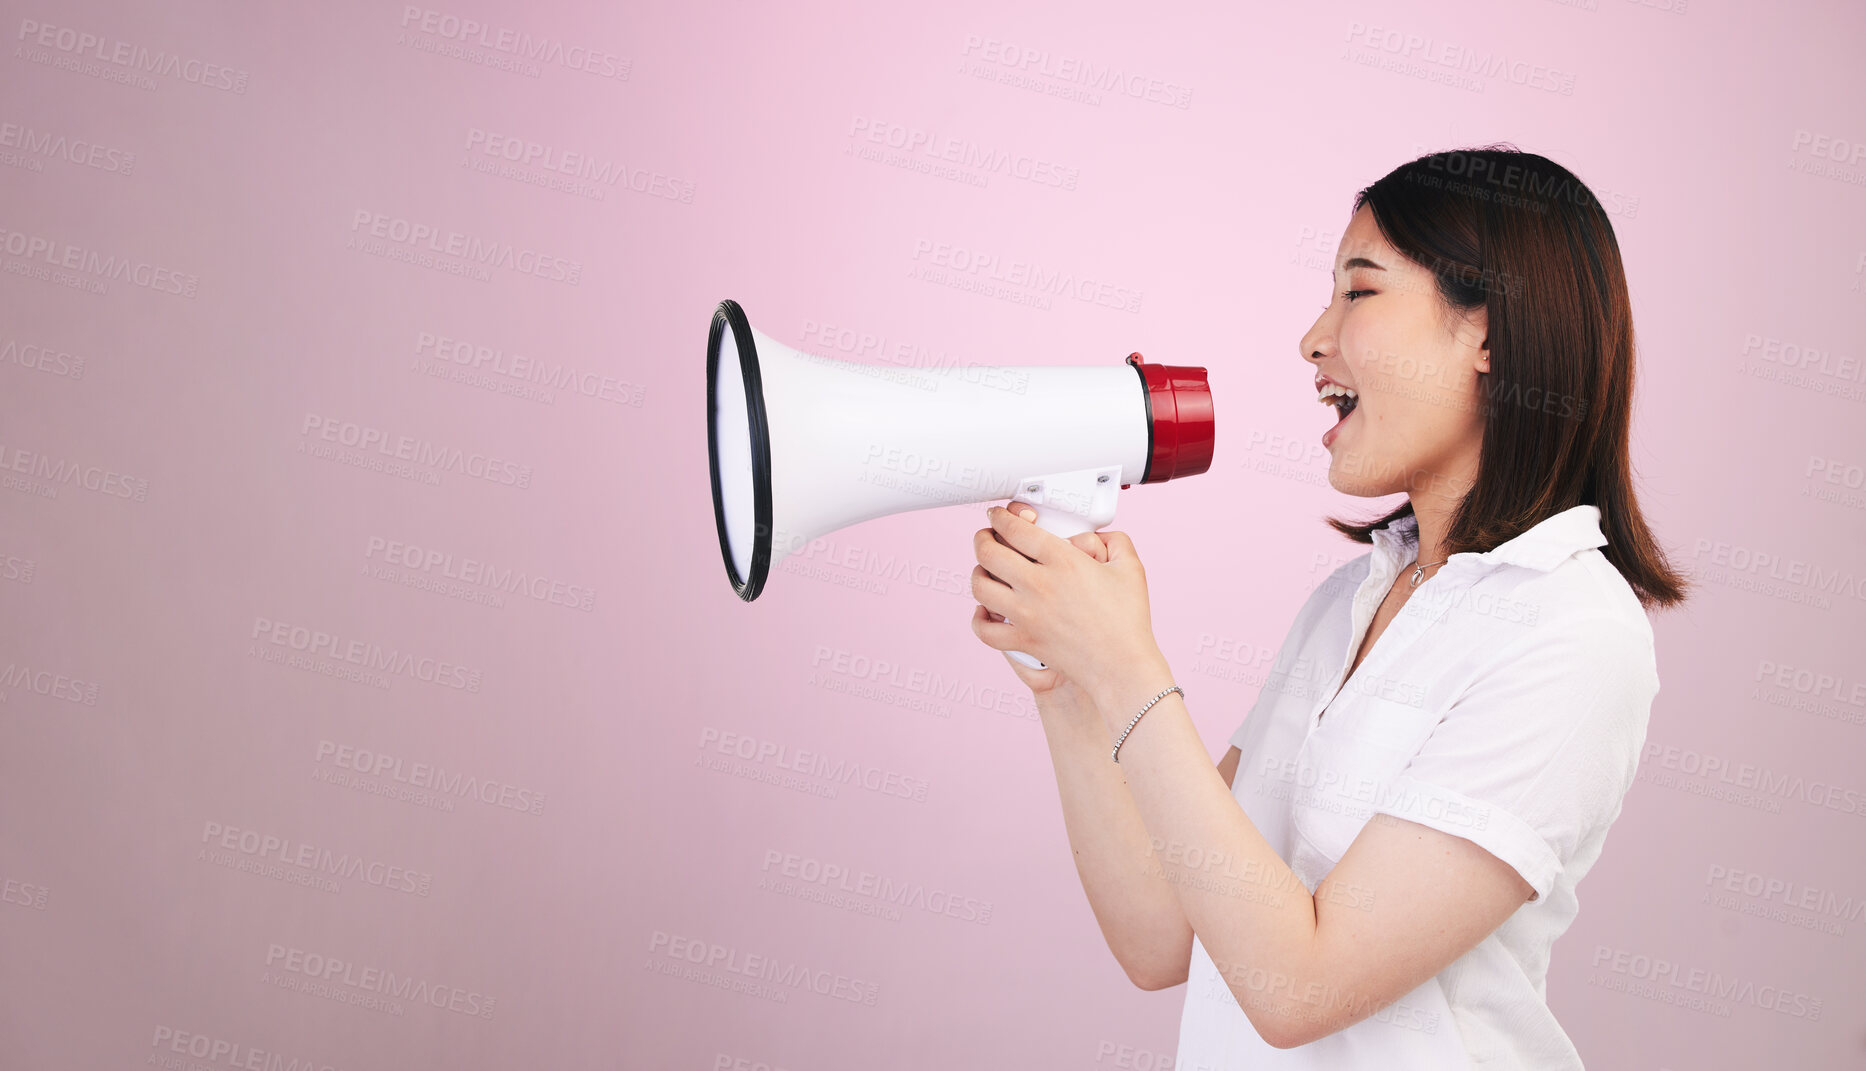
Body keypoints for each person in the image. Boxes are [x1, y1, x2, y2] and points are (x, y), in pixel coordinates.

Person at [966, 144, 1690, 1068]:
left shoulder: (1572, 634)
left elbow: (1298, 987)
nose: (1313, 338)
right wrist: (1066, 679)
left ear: (1489, 334)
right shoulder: (1352, 601)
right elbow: (1162, 933)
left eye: (1360, 291)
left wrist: (1127, 666)